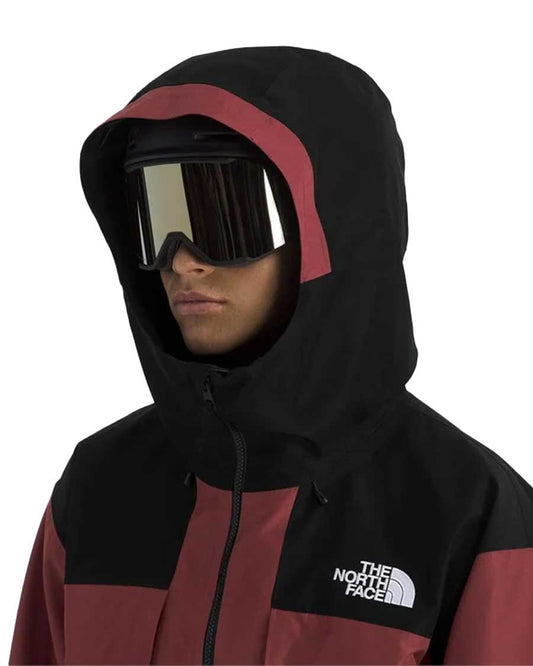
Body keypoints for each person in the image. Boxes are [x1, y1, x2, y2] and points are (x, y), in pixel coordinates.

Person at [8, 45, 533, 666]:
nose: (183, 260)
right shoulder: (99, 488)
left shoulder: (465, 515)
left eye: (225, 218)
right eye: (158, 219)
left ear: (331, 233)